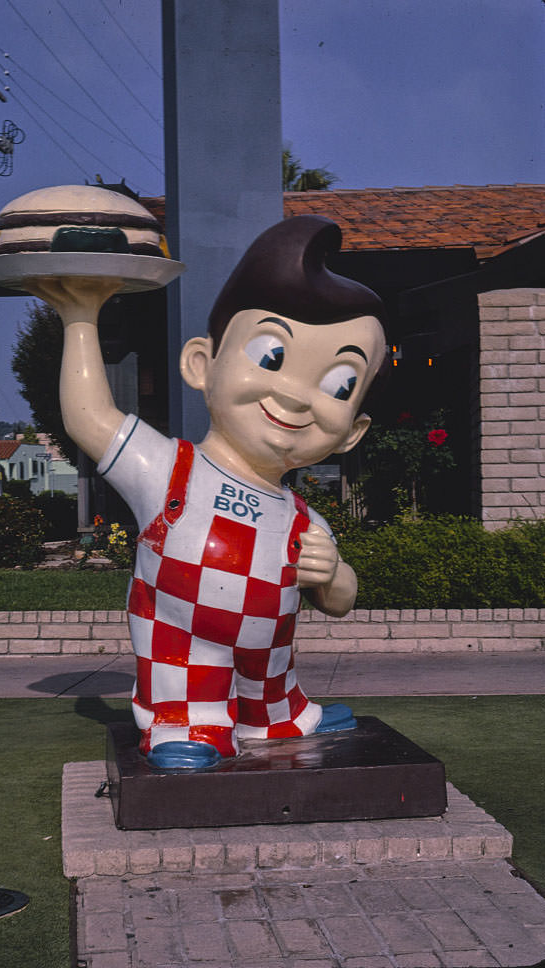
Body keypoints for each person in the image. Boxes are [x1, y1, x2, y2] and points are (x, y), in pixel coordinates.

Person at [34, 215, 388, 769]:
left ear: (353, 432)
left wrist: (333, 573)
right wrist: (80, 317)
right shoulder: (167, 469)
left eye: (338, 384)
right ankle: (186, 723)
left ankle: (276, 716)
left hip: (270, 662)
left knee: (273, 683)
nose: (296, 397)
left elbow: (340, 602)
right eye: (271, 356)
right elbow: (90, 417)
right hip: (183, 648)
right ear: (201, 364)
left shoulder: (301, 516)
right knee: (186, 673)